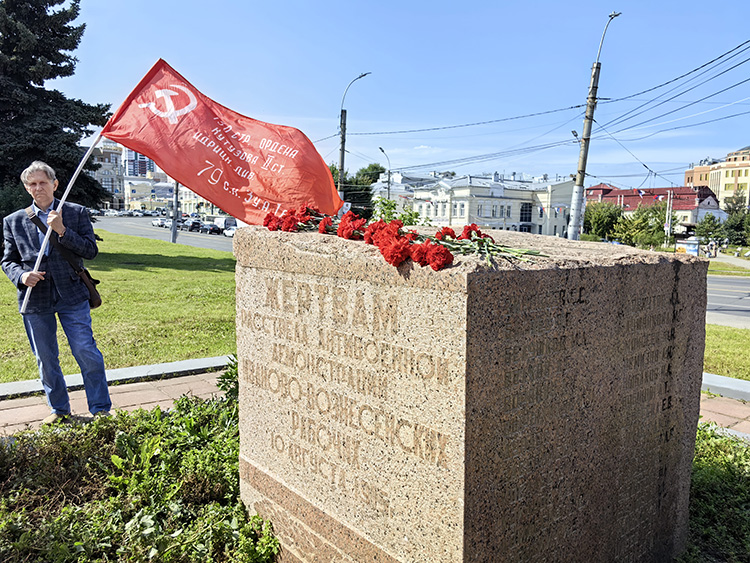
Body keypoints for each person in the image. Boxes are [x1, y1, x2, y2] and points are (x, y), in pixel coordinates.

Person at [2, 161, 111, 424]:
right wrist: (21, 276)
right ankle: (59, 409)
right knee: (46, 358)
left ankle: (100, 409)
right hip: (35, 299)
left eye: (43, 182)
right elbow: (8, 260)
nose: (38, 188)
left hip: (72, 295)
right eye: (33, 184)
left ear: (55, 184)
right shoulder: (13, 221)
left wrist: (62, 230)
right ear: (27, 188)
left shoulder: (75, 212)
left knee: (86, 351)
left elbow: (90, 251)